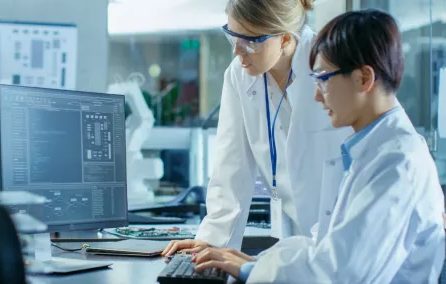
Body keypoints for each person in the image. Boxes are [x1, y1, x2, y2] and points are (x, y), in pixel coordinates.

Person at [187, 9, 446, 283]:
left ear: (363, 79)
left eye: (322, 79)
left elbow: (342, 271)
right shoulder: (374, 152)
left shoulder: (396, 163)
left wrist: (252, 269)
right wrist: (254, 262)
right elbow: (327, 242)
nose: (315, 95)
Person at [163, 0, 351, 256]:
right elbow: (231, 166)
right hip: (299, 240)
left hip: (346, 235)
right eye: (232, 37)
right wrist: (212, 243)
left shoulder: (335, 64)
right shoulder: (238, 76)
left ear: (284, 39)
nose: (237, 52)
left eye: (249, 41)